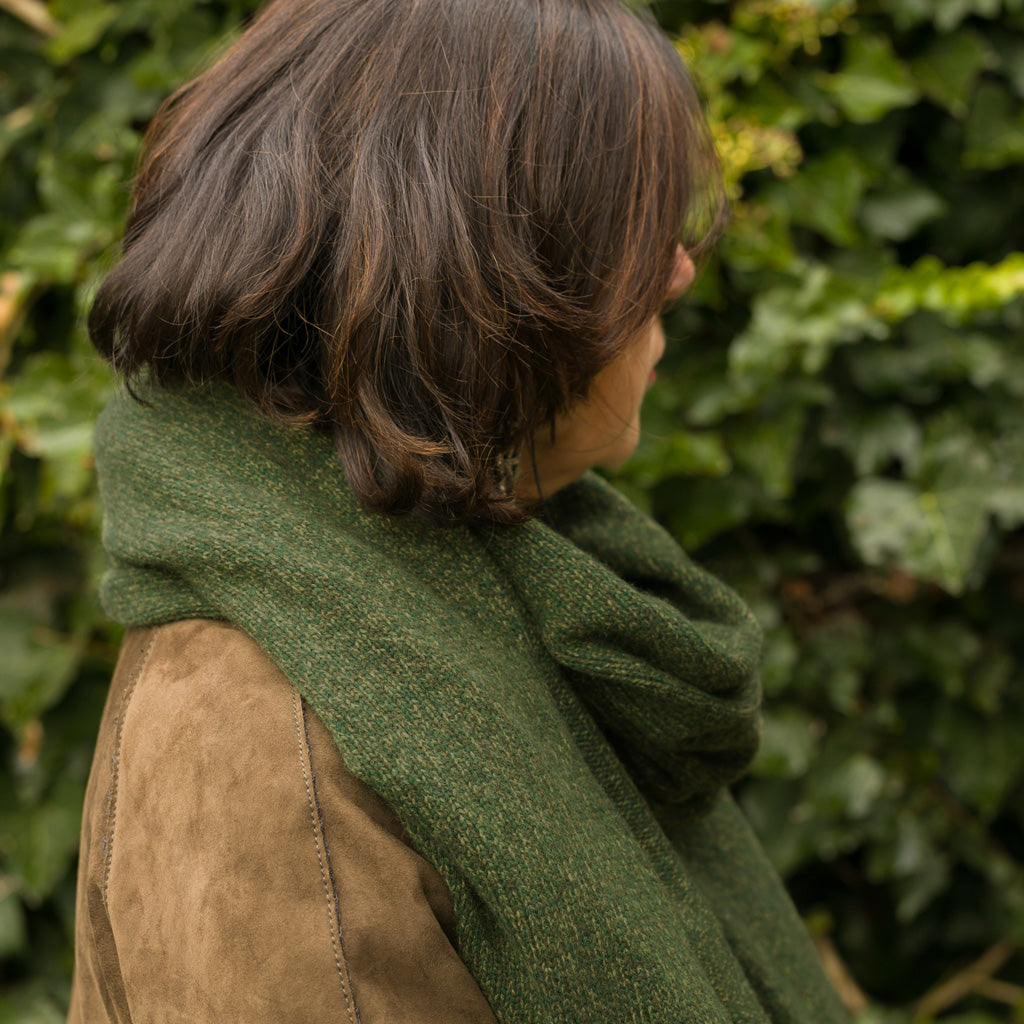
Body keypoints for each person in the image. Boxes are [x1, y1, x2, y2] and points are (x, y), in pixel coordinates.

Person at [68, 0, 850, 1021]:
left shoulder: (518, 592)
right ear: (464, 268)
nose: (678, 268)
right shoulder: (266, 745)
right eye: (621, 222)